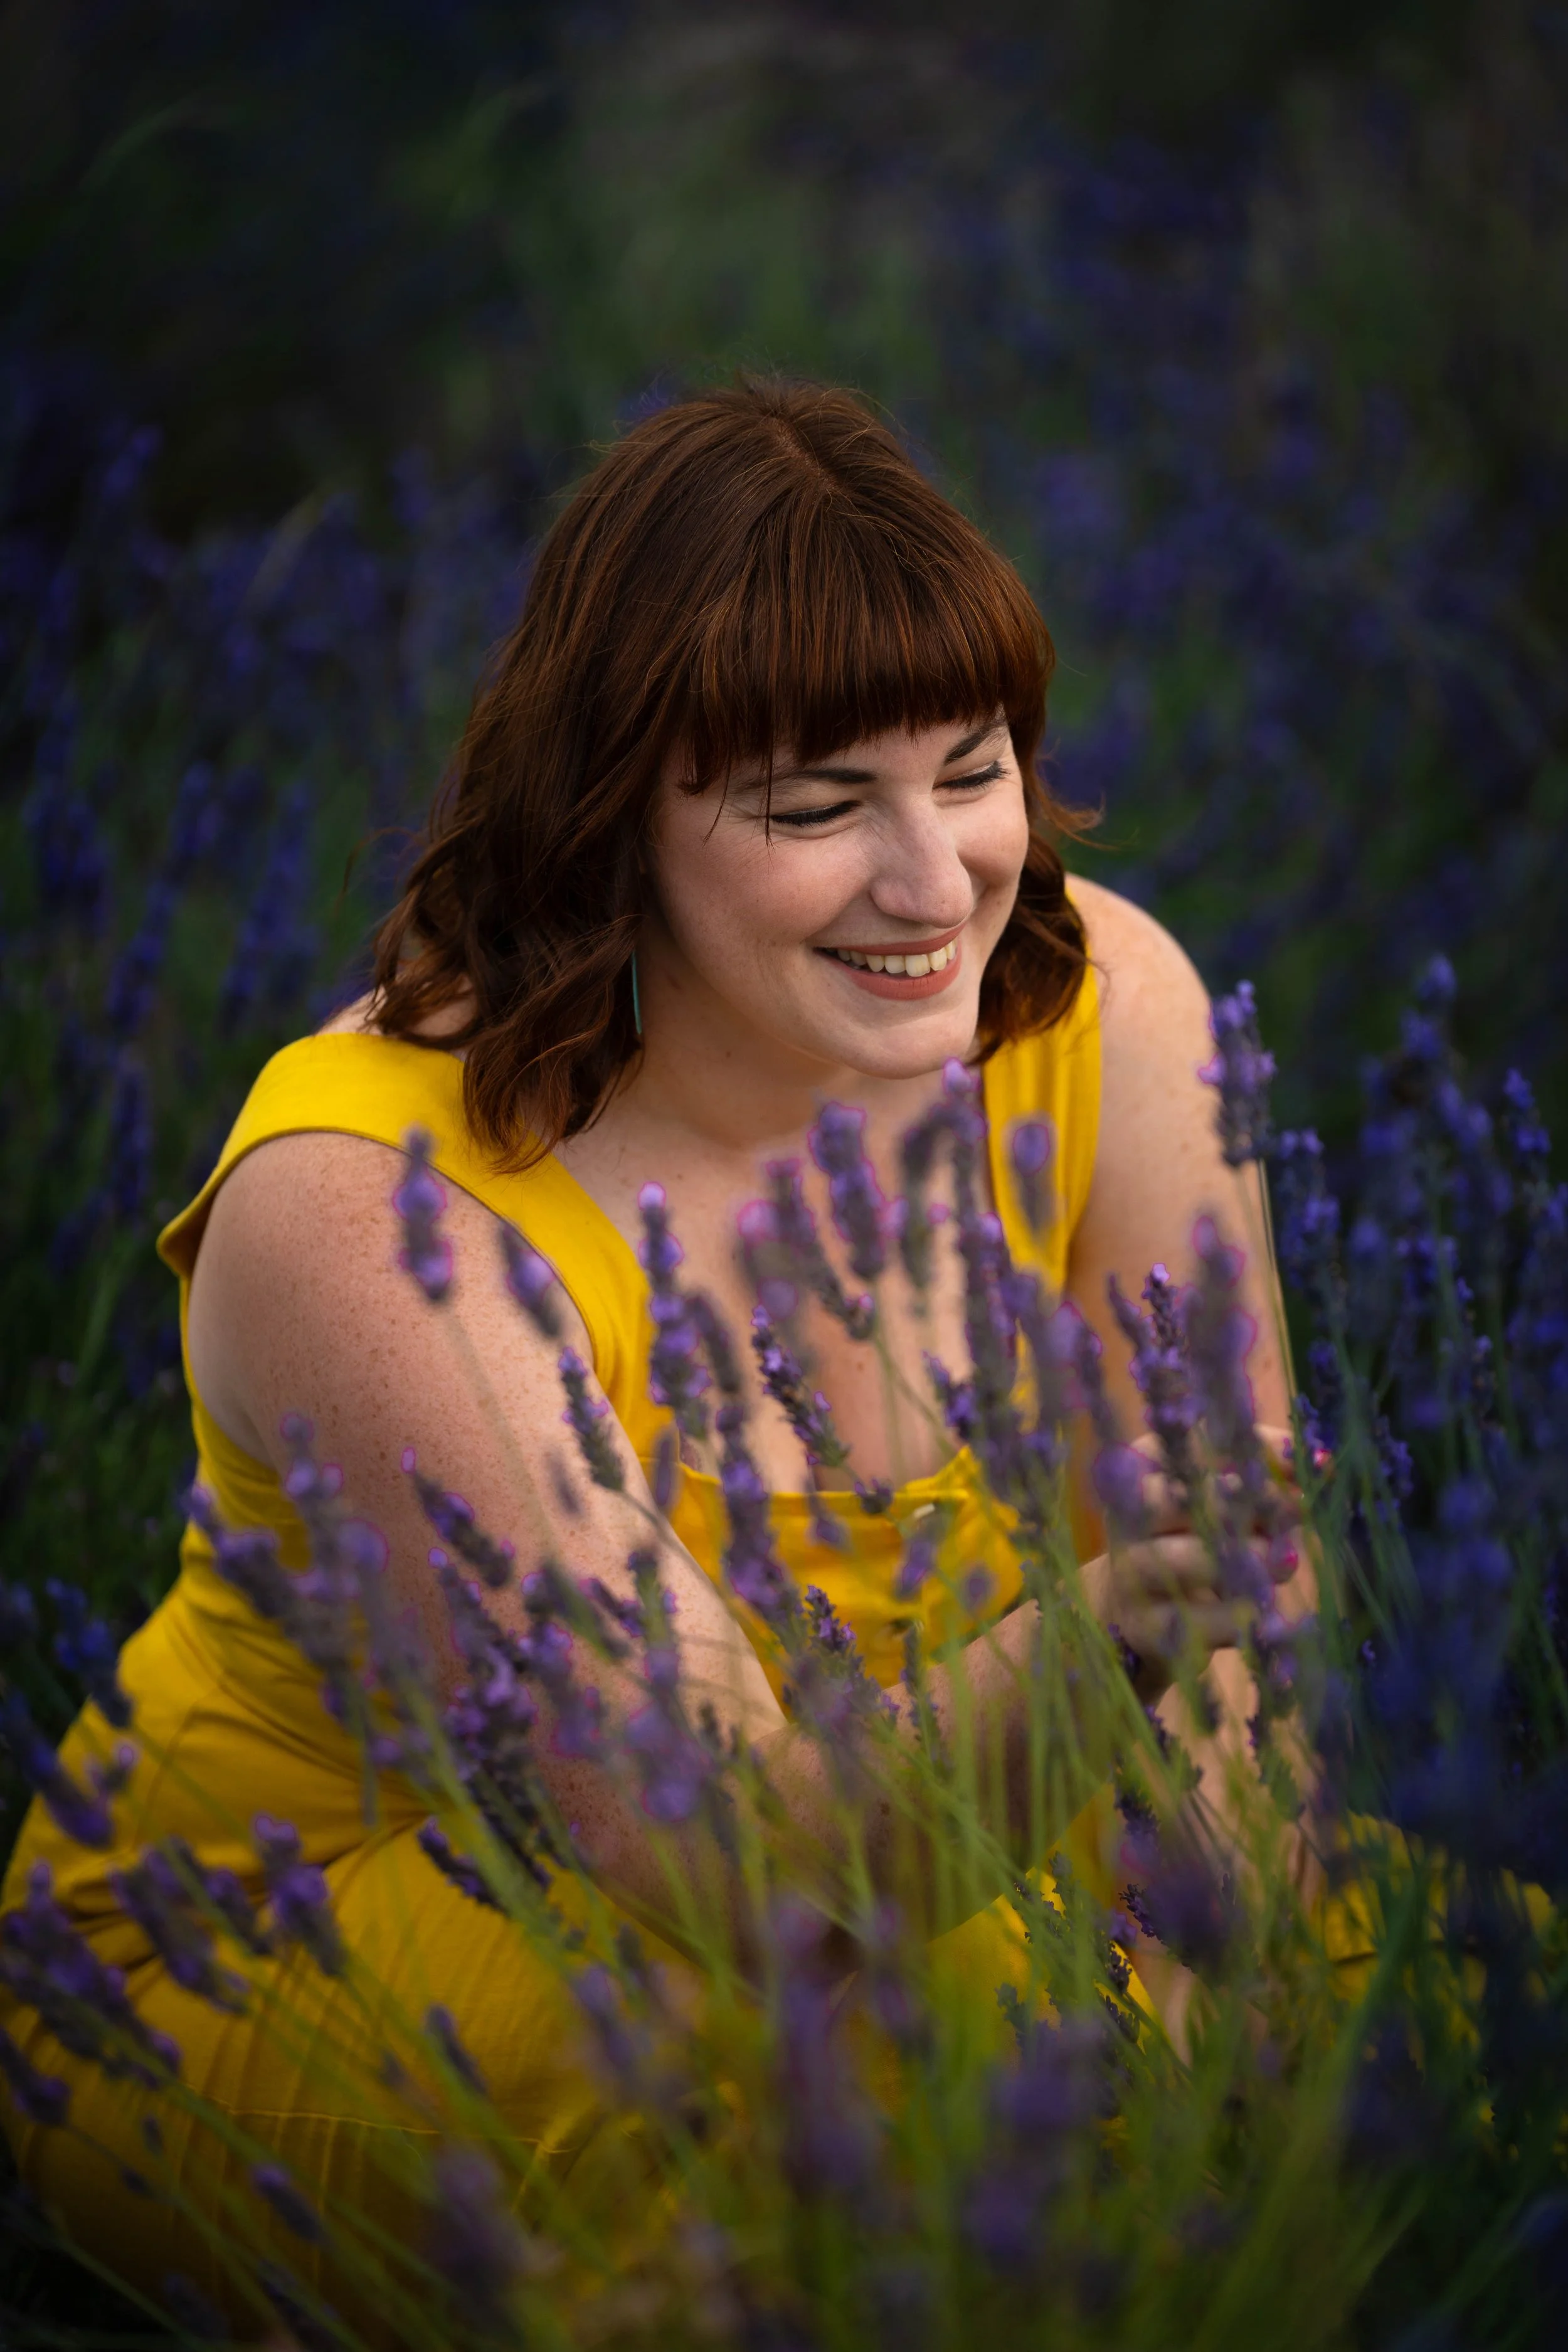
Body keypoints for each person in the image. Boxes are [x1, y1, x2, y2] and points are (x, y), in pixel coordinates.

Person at [0, 379, 1301, 2331]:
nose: (936, 881)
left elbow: (1250, 1656)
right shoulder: (376, 1216)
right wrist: (1111, 1627)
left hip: (945, 1861)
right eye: (811, 807)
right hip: (353, 1930)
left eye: (969, 768)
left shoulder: (1101, 1001)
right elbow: (722, 1856)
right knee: (878, 2161)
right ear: (613, 822)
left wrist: (1209, 1947)